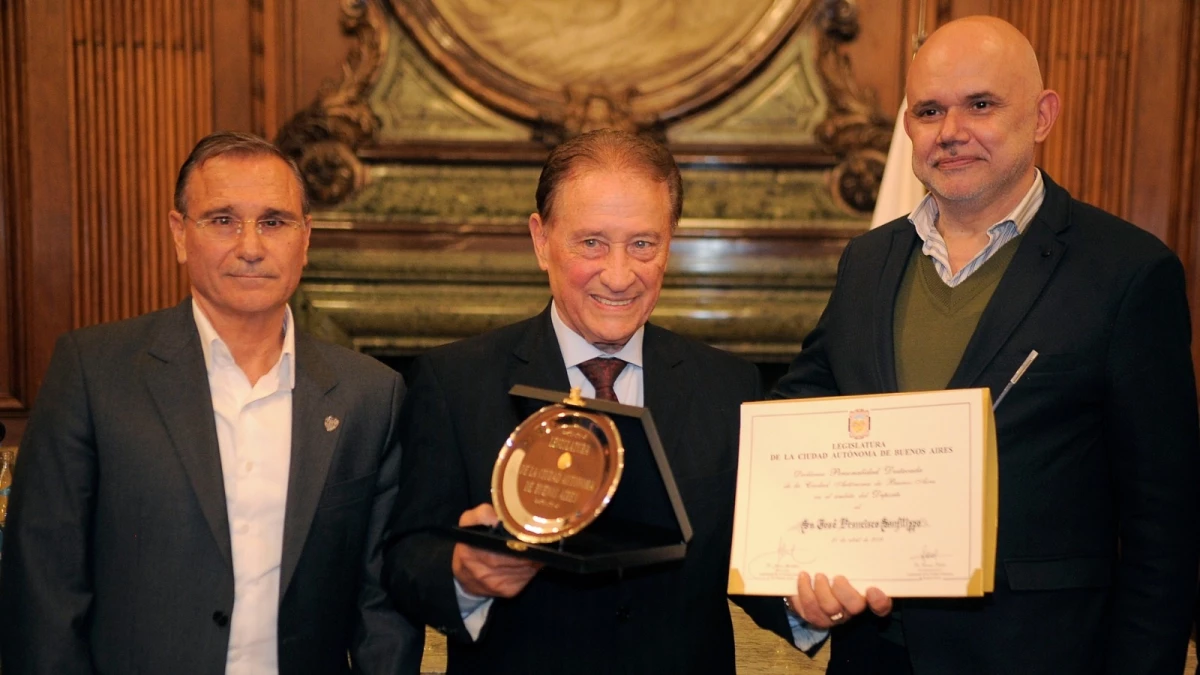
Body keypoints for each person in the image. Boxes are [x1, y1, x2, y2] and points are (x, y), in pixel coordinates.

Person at [772, 16, 1200, 675]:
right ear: (908, 127)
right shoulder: (866, 264)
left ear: (1042, 115)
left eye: (980, 104)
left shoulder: (1128, 274)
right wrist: (795, 588)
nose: (951, 131)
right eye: (929, 110)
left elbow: (1164, 535)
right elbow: (796, 432)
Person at [382, 129, 842, 673]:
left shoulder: (728, 385)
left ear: (670, 243)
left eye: (643, 244)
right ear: (541, 240)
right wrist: (461, 572)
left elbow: (746, 560)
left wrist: (806, 603)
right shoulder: (456, 381)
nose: (620, 275)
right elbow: (405, 556)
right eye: (592, 243)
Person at [0, 131, 422, 674]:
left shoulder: (371, 395)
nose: (250, 246)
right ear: (179, 234)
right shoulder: (94, 373)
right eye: (223, 220)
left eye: (274, 221)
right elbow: (44, 589)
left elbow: (381, 608)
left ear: (305, 238)